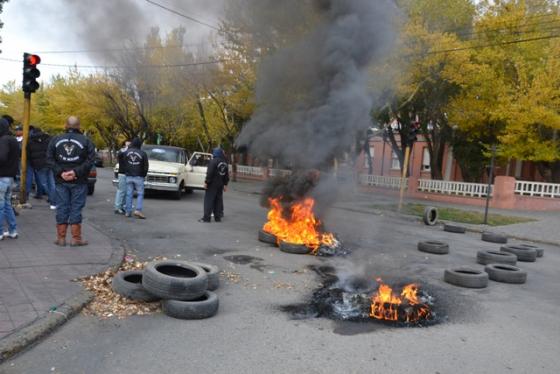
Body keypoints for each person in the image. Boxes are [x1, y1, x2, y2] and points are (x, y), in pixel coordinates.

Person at [47, 116, 95, 246]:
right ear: (79, 126)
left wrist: (61, 173)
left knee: (62, 207)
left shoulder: (55, 140)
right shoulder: (86, 141)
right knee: (76, 208)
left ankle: (61, 238)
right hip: (79, 181)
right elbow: (90, 160)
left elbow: (49, 159)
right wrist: (75, 172)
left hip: (60, 181)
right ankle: (76, 238)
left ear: (65, 125)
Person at [27, 127, 56, 210]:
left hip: (39, 165)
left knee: (44, 183)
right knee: (52, 183)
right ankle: (53, 200)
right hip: (49, 163)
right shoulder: (49, 139)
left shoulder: (30, 141)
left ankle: (52, 199)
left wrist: (33, 164)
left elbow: (28, 155)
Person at [0, 118, 19, 240]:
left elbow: (2, 157)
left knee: (1, 206)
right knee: (7, 205)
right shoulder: (12, 139)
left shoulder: (3, 140)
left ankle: (0, 232)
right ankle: (13, 231)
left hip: (2, 177)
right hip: (10, 177)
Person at [199, 147, 229, 223]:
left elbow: (210, 173)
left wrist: (206, 182)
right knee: (218, 201)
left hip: (212, 184)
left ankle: (206, 218)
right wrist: (225, 184)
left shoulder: (213, 162)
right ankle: (217, 218)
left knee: (209, 200)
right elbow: (226, 175)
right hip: (220, 185)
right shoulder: (225, 163)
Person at [123, 137, 149, 219]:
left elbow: (123, 163)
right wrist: (143, 175)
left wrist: (126, 172)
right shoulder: (143, 153)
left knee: (129, 194)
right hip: (139, 176)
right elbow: (146, 166)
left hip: (128, 176)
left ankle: (128, 211)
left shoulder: (126, 152)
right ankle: (138, 210)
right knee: (140, 194)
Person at [114, 140, 130, 214]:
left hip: (128, 173)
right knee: (121, 190)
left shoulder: (130, 152)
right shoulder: (122, 151)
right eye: (127, 143)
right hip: (122, 173)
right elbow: (120, 155)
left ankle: (122, 206)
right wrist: (126, 148)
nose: (129, 144)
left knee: (126, 191)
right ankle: (117, 207)